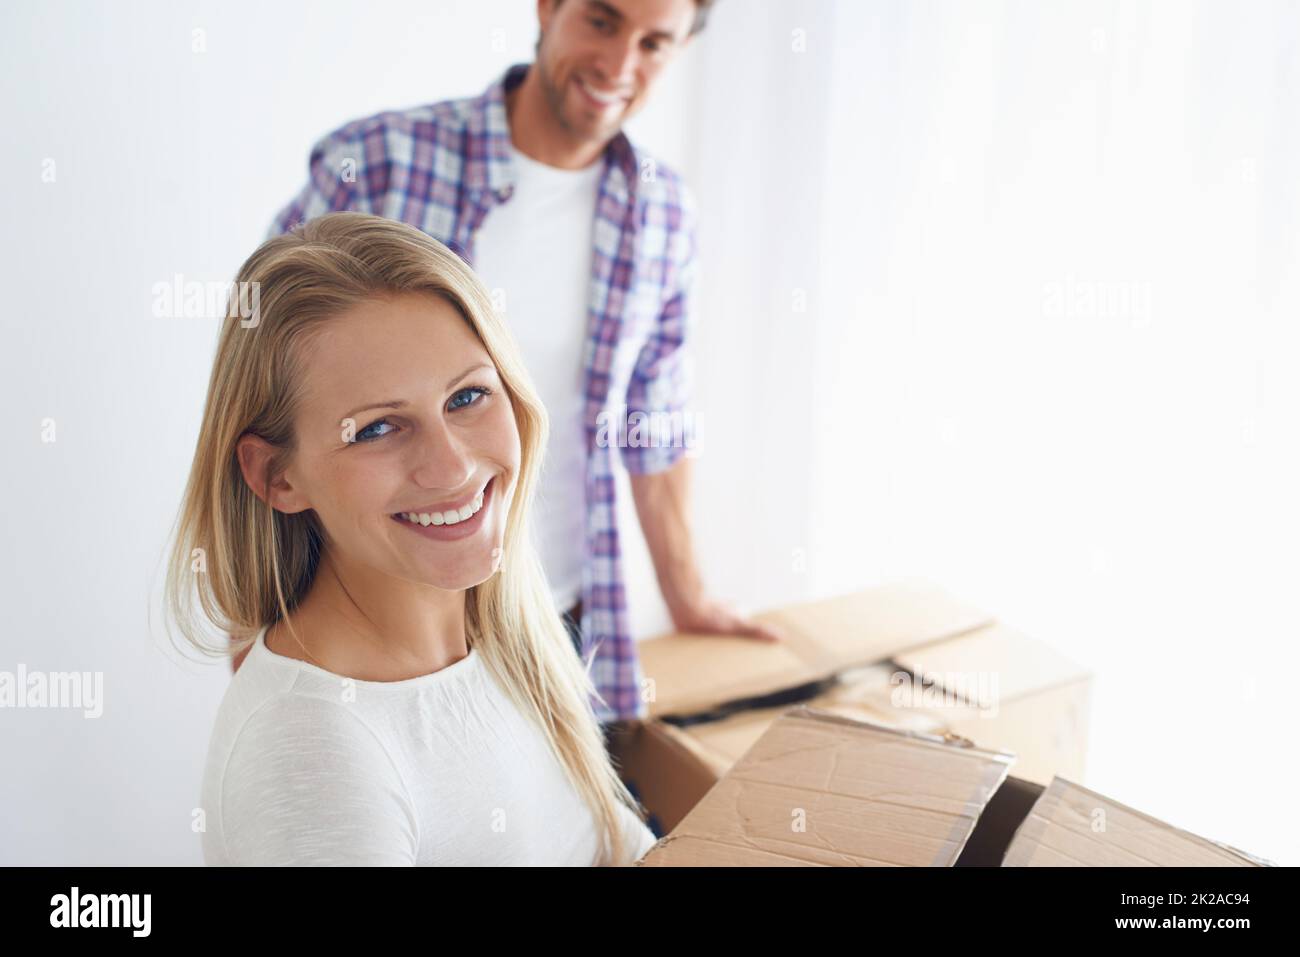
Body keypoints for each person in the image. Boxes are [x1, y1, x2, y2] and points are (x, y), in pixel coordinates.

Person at [242, 0, 784, 728]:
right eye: (601, 20)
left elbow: (654, 419)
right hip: (380, 621)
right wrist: (257, 616)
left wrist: (686, 592)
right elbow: (264, 395)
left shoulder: (663, 212)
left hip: (554, 613)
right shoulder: (378, 164)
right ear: (548, 8)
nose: (620, 65)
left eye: (655, 43)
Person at [168, 212, 657, 865]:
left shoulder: (505, 643)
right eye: (376, 429)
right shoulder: (310, 751)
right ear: (277, 476)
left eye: (467, 397)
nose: (452, 467)